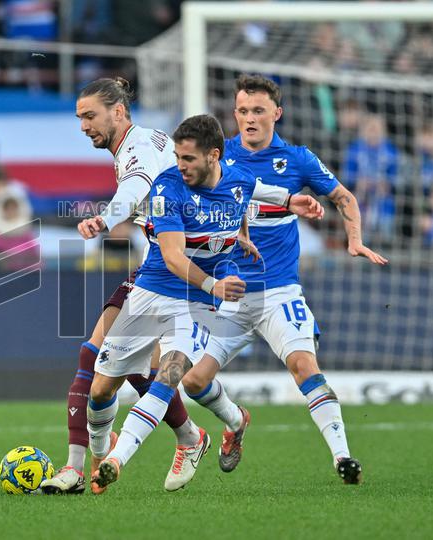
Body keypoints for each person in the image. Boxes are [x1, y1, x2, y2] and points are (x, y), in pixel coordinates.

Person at [43, 78, 322, 495]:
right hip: (157, 275)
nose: (83, 126)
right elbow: (232, 190)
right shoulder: (151, 143)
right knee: (112, 380)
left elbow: (139, 188)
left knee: (148, 370)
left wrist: (103, 220)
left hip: (186, 282)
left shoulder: (139, 154)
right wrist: (247, 224)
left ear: (117, 112)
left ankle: (88, 465)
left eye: (89, 116)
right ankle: (192, 435)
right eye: (80, 117)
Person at [185, 75, 387, 485]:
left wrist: (354, 240)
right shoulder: (218, 160)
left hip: (279, 292)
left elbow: (344, 198)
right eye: (242, 111)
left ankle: (342, 457)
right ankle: (235, 420)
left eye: (258, 111)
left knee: (302, 365)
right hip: (231, 295)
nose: (249, 119)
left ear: (276, 113)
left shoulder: (298, 160)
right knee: (192, 381)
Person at [89, 114, 271, 493]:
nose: (180, 165)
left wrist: (241, 236)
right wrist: (215, 284)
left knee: (170, 377)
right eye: (177, 156)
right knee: (101, 390)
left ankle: (115, 461)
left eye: (188, 158)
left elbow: (240, 201)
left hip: (196, 302)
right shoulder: (165, 187)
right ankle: (103, 449)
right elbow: (172, 257)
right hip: (152, 290)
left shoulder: (240, 179)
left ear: (213, 156)